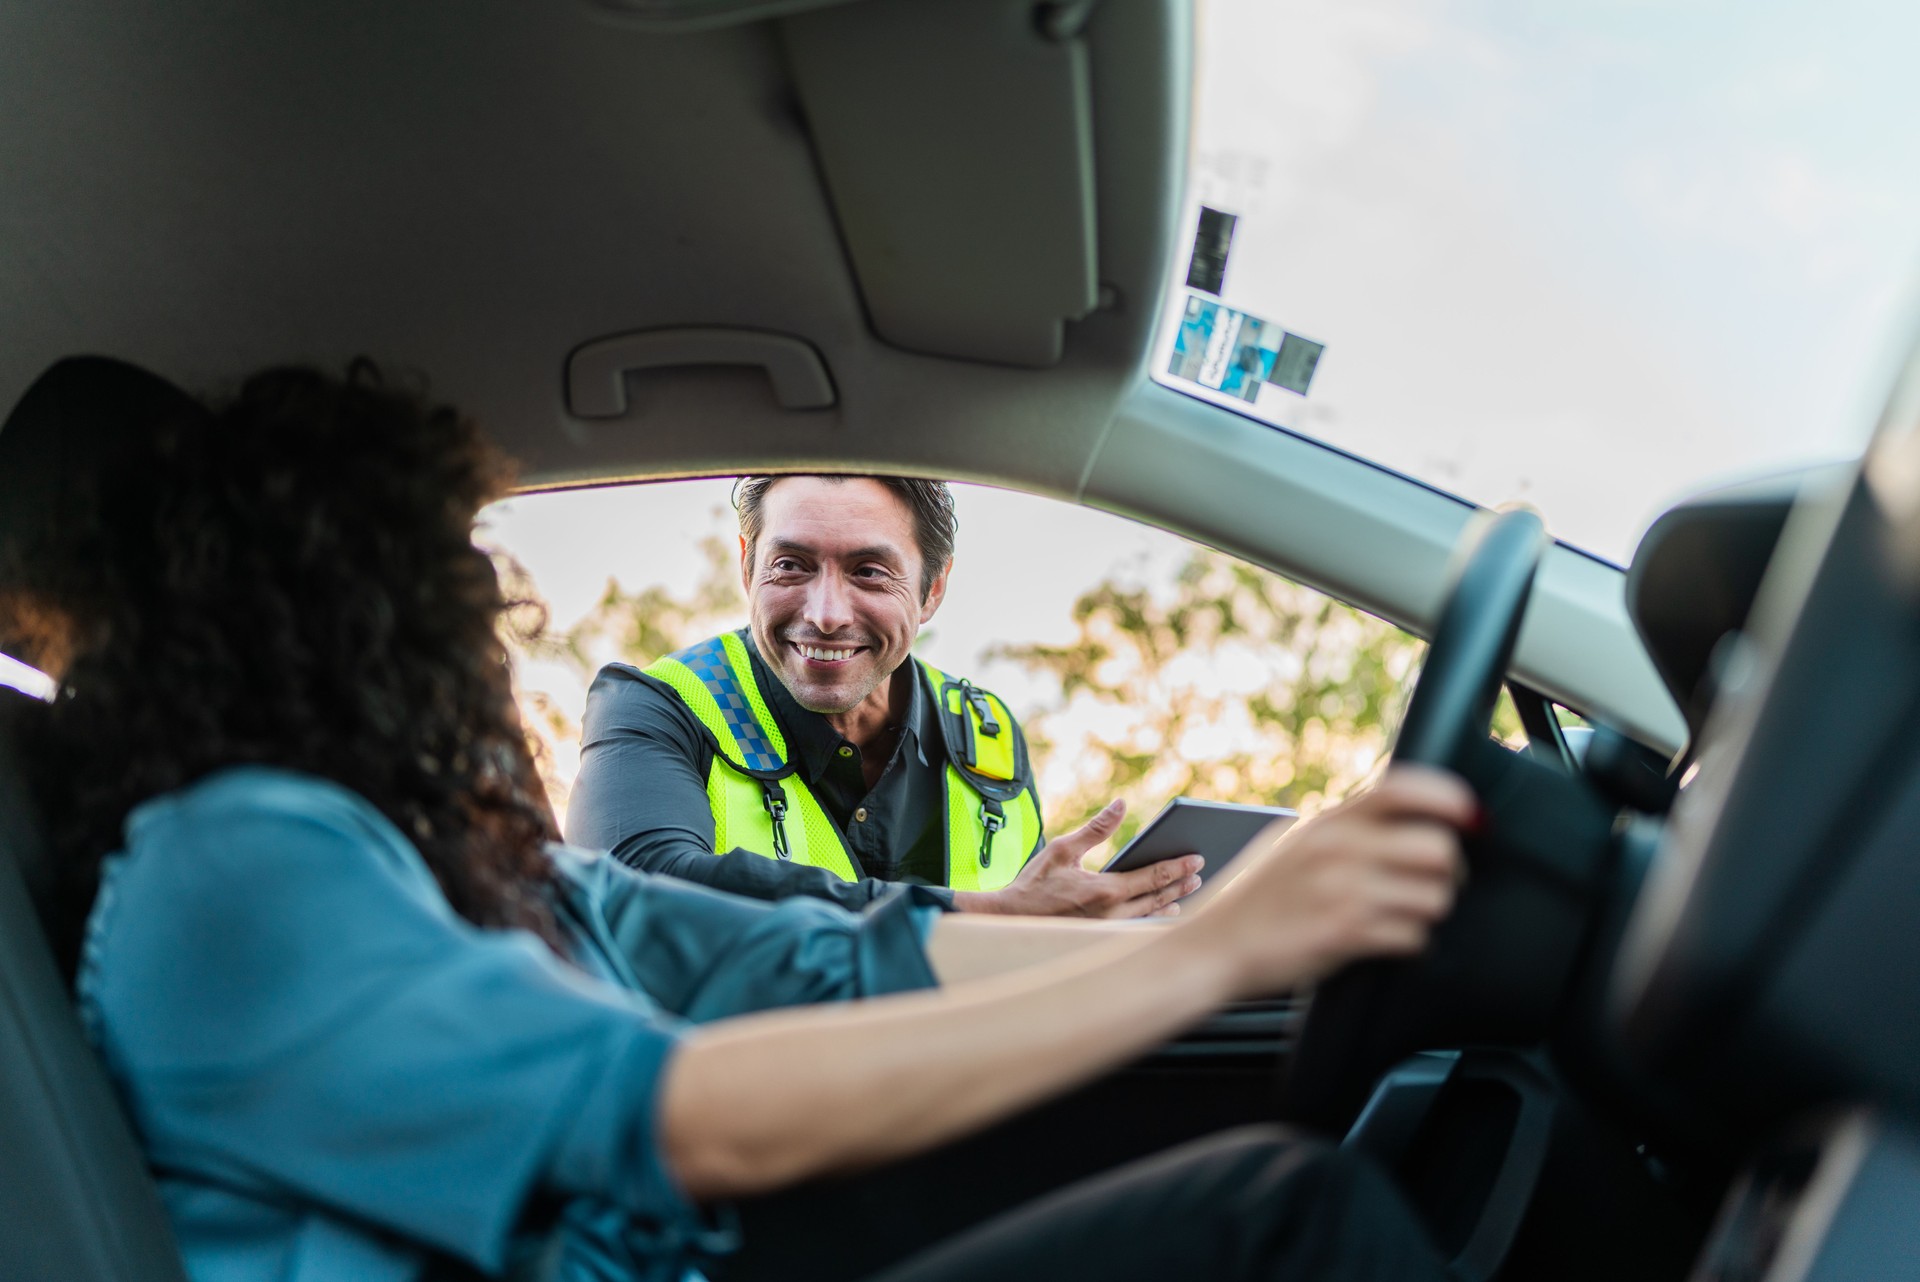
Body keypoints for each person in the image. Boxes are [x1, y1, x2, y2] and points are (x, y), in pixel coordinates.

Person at [0, 356, 1474, 1282]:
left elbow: (840, 964)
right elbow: (673, 1116)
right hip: (677, 1223)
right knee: (1283, 1221)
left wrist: (1210, 928)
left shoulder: (463, 859)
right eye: (439, 571)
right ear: (326, 611)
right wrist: (1201, 967)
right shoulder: (238, 867)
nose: (487, 614)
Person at [567, 474, 1202, 919]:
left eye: (870, 571)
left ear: (932, 590)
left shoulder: (987, 733)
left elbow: (1025, 935)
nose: (825, 613)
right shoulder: (655, 703)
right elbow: (634, 887)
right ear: (746, 565)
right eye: (790, 565)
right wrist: (976, 914)